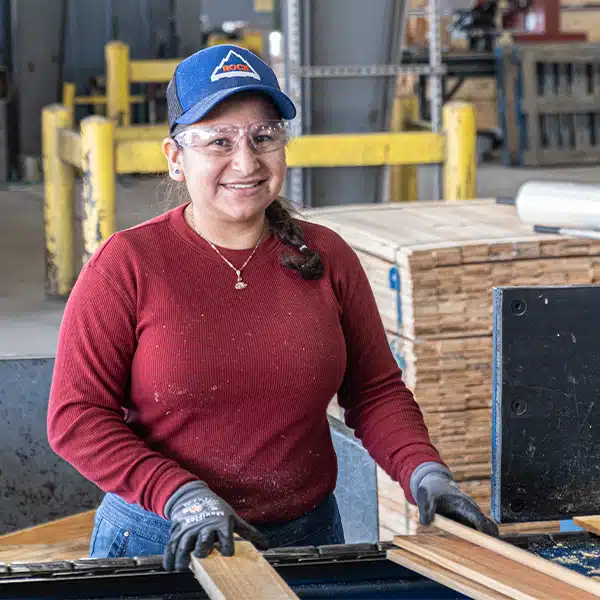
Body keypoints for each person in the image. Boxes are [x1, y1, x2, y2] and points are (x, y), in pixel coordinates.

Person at [47, 44, 498, 573]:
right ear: (175, 158)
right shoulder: (127, 265)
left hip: (306, 539)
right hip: (162, 540)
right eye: (219, 141)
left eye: (264, 137)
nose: (246, 161)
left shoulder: (324, 255)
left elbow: (374, 391)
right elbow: (76, 419)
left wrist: (425, 473)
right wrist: (180, 494)